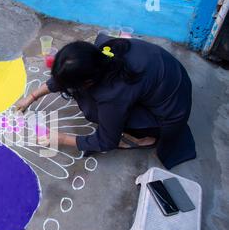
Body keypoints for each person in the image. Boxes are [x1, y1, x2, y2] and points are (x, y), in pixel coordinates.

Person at [16, 34, 196, 169]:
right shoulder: (103, 52)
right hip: (170, 86)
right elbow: (66, 76)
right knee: (89, 99)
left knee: (93, 111)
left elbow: (106, 142)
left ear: (88, 81)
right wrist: (32, 97)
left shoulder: (114, 94)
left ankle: (144, 139)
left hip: (168, 117)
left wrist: (60, 138)